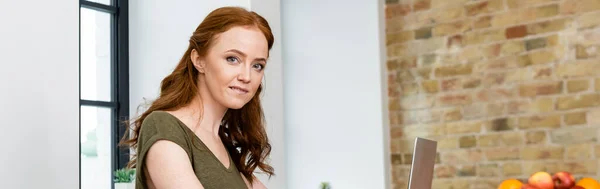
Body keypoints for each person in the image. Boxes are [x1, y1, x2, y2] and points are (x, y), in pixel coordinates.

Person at [120, 6, 274, 189]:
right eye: (232, 59)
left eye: (257, 65)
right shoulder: (163, 127)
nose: (246, 77)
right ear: (198, 60)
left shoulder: (224, 147)